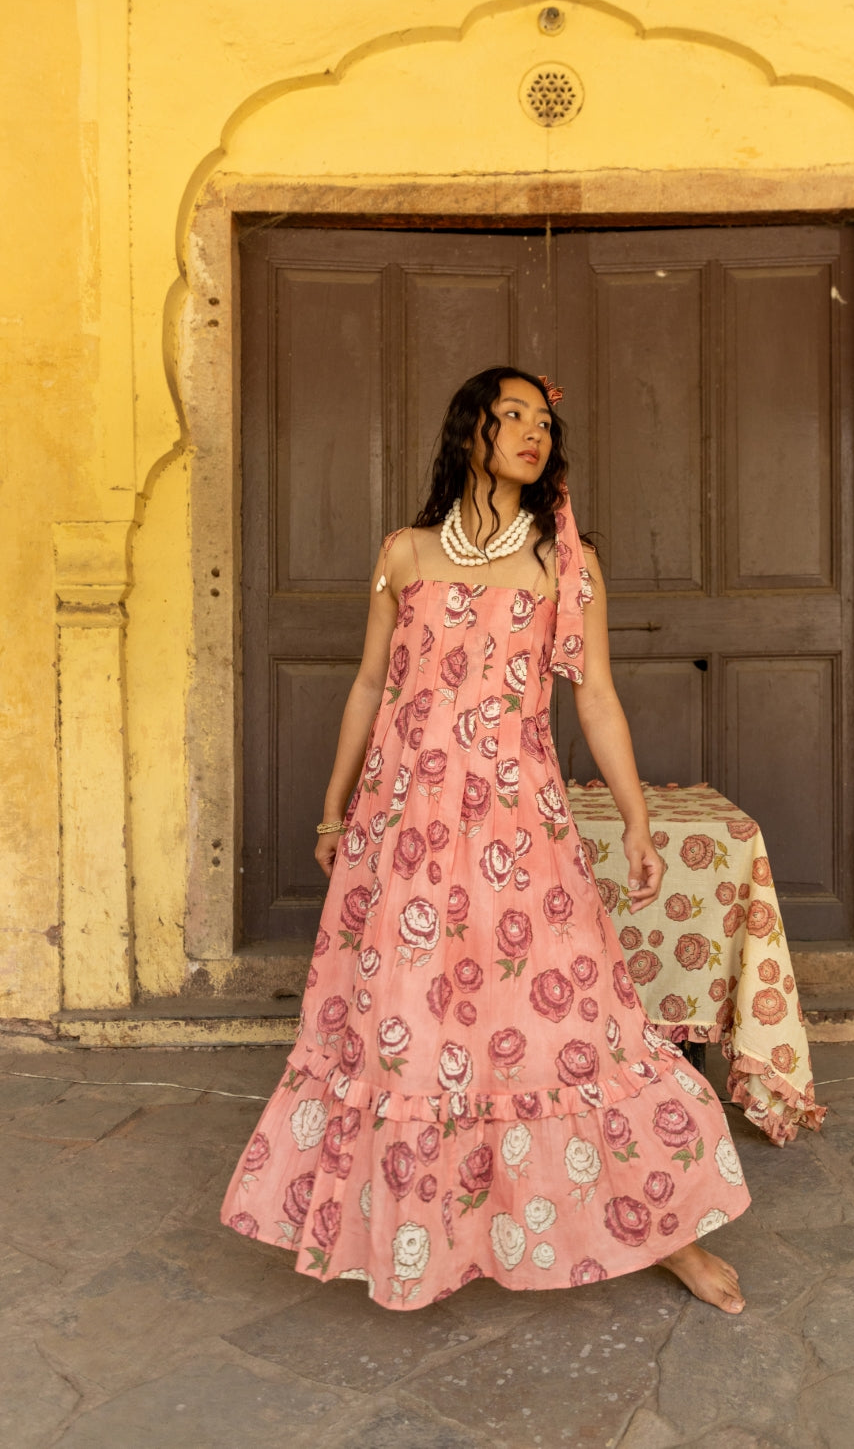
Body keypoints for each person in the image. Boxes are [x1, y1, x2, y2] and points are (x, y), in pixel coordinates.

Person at [220, 367, 750, 1312]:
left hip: (519, 826)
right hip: (405, 833)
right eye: (511, 415)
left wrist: (633, 815)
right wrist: (335, 807)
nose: (531, 432)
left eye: (544, 421)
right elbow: (368, 687)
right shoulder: (405, 555)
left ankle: (665, 1233)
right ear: (470, 429)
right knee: (412, 1029)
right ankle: (427, 1235)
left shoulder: (564, 563)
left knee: (574, 1022)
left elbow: (597, 698)